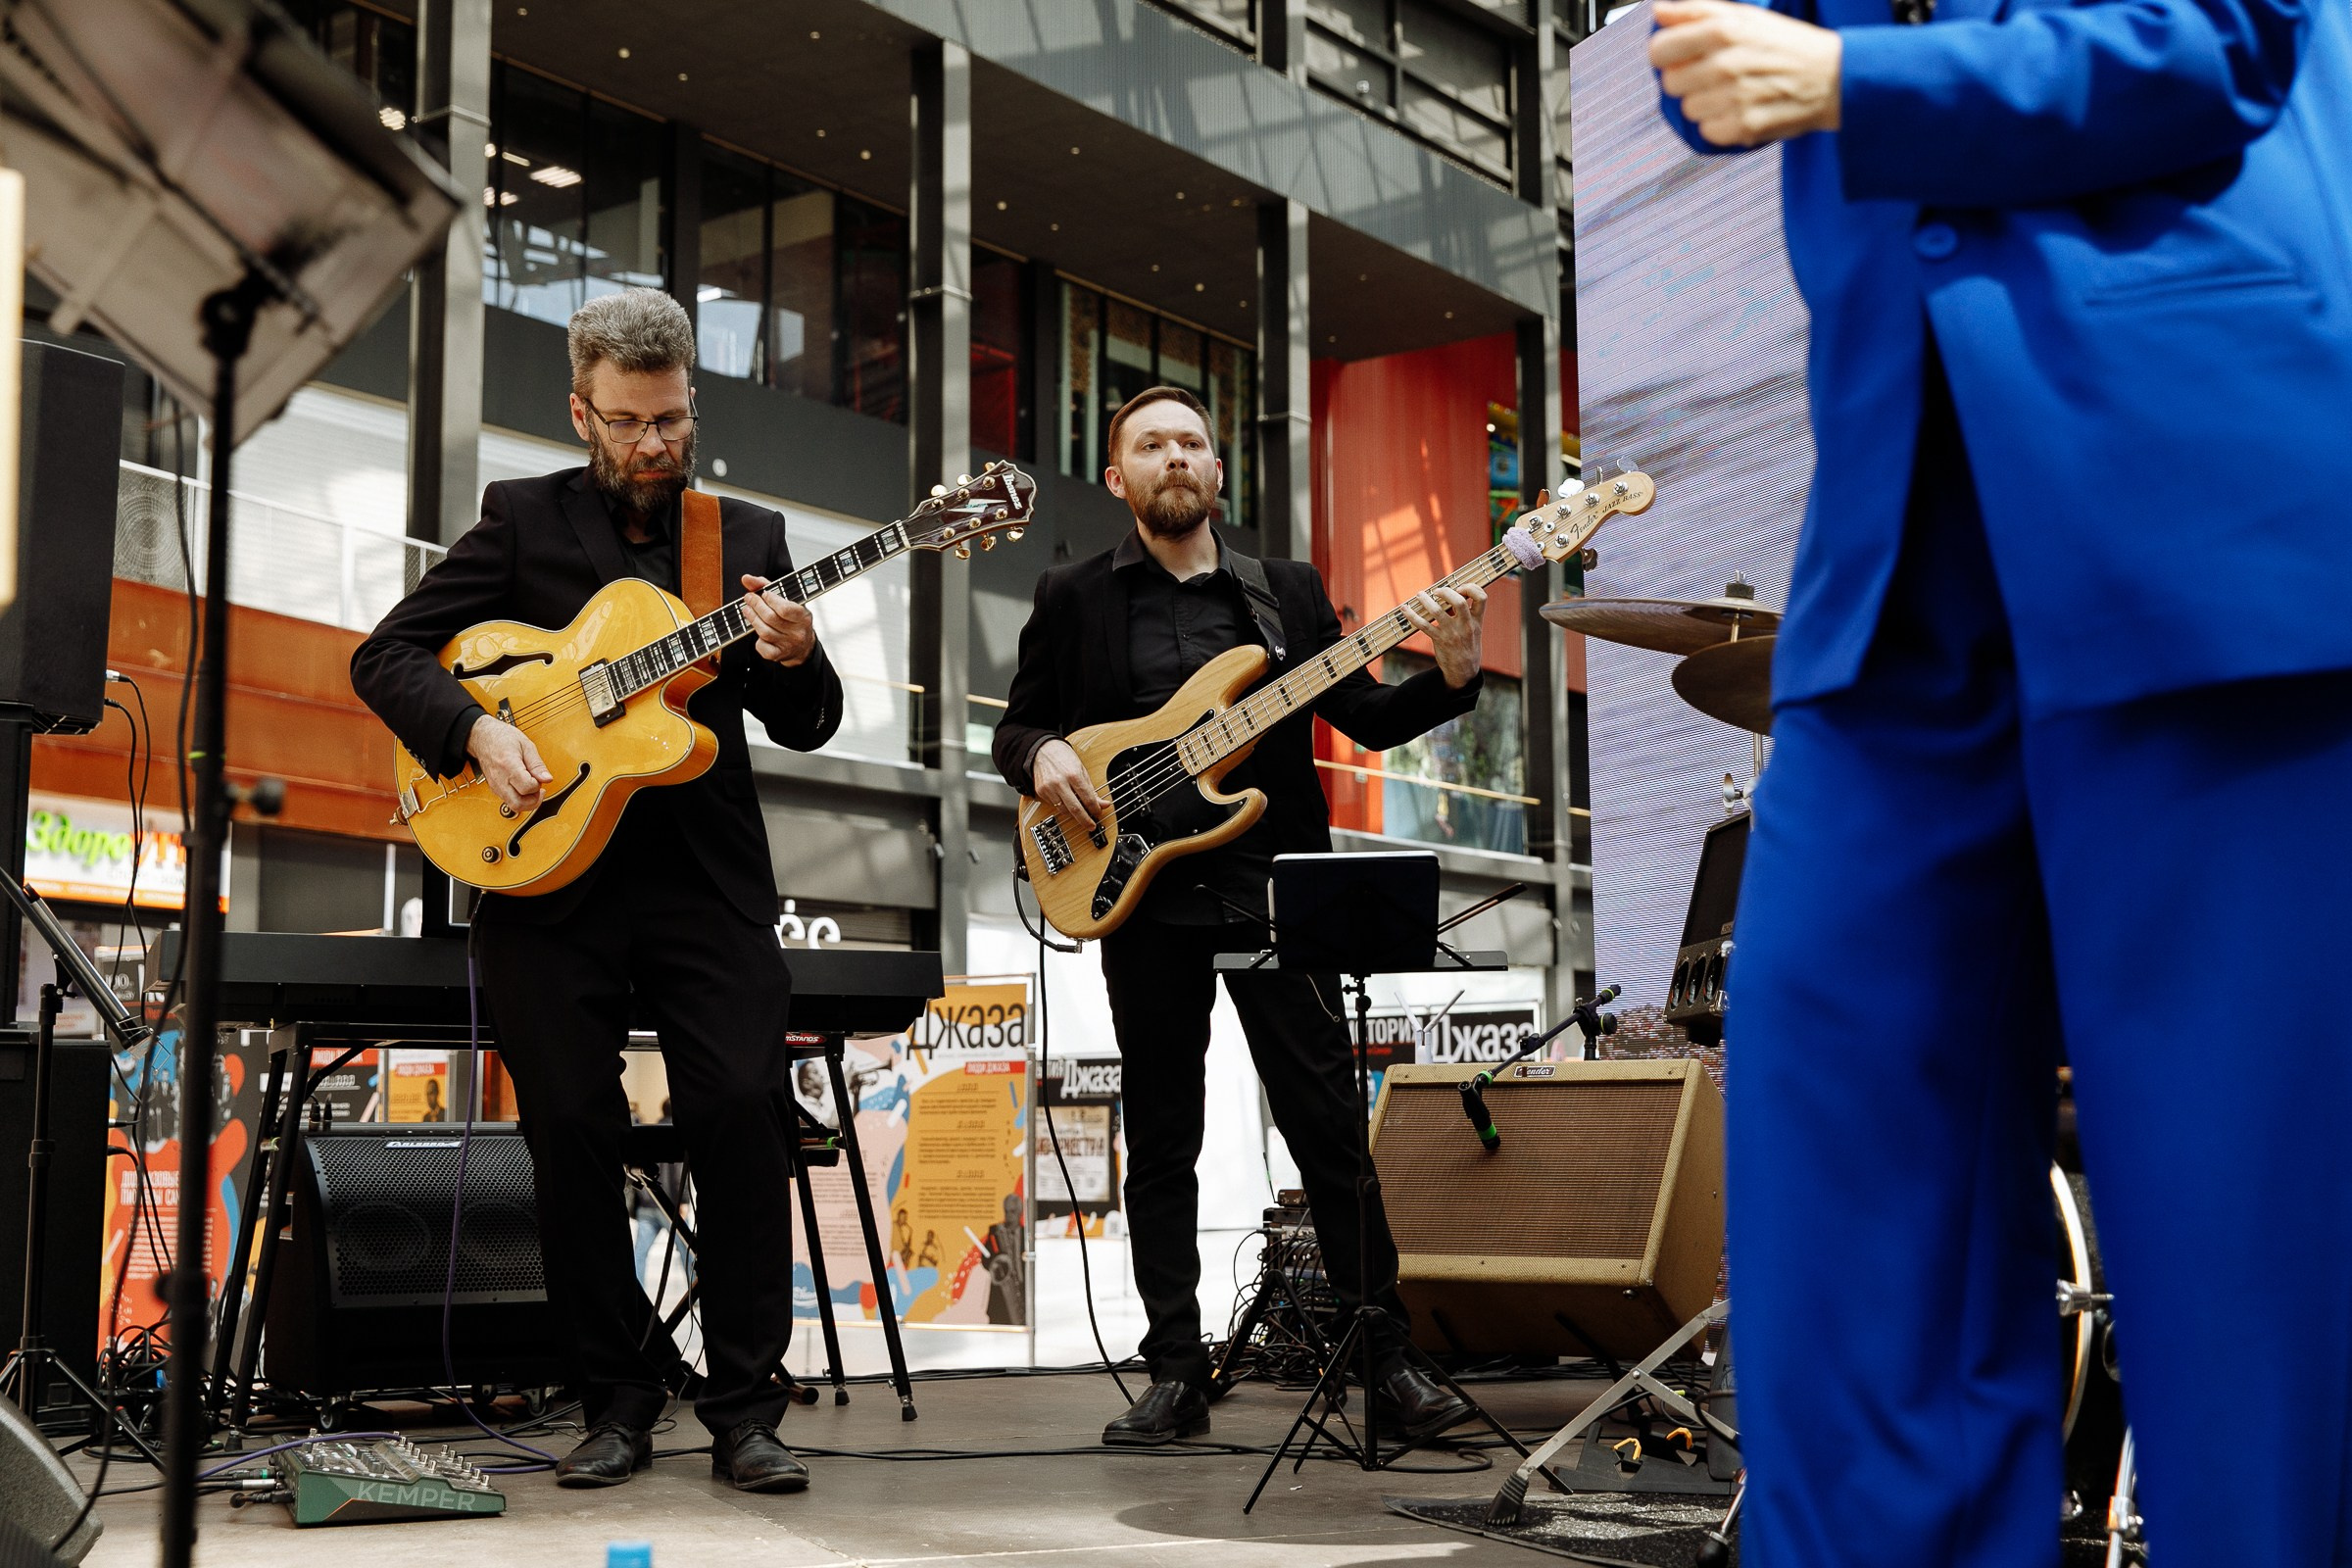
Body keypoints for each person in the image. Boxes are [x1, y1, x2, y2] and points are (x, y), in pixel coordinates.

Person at [1649, 1, 2352, 1562]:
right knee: (1843, 1218)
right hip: (1892, 540)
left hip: (2203, 496)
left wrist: (1856, 80)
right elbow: (1711, 88)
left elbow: (2222, 41)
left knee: (2251, 1255)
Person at [351, 288, 843, 1494]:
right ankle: (614, 1395)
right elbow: (387, 656)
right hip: (546, 877)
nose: (651, 446)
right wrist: (475, 734)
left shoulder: (748, 537)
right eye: (626, 422)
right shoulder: (519, 522)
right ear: (582, 411)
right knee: (568, 1124)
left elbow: (813, 720)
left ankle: (744, 1408)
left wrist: (797, 655)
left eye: (670, 420)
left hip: (703, 874)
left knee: (739, 1108)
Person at [994, 385, 1488, 1446]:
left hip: (1274, 889)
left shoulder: (1285, 592)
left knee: (1327, 1128)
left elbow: (1362, 714)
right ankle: (1175, 1371)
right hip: (1139, 889)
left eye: (1193, 443)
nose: (1176, 457)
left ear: (1220, 474)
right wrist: (1040, 754)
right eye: (1151, 444)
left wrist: (1449, 676)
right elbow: (1020, 725)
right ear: (1119, 476)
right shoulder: (1073, 594)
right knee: (1165, 1135)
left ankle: (1385, 1357)